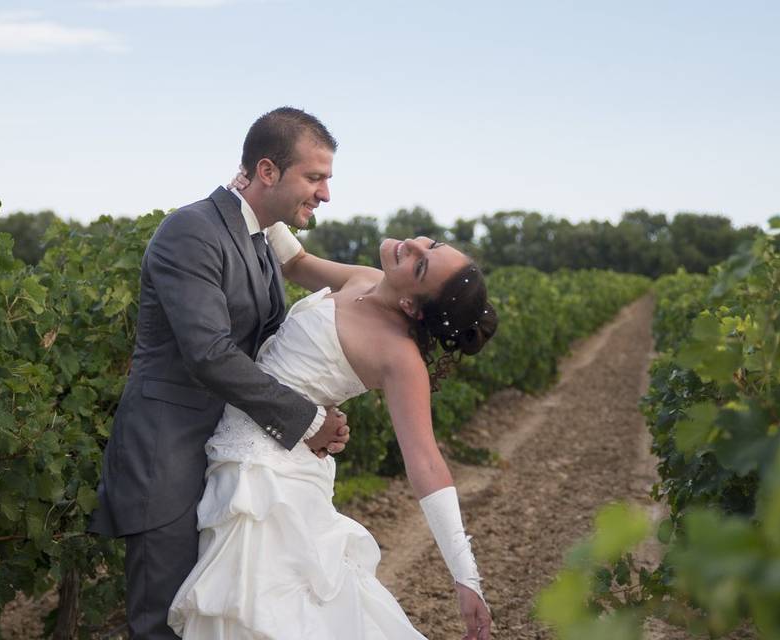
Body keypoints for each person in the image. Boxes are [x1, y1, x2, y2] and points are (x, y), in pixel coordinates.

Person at [87, 107, 351, 639]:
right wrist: (305, 419)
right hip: (168, 460)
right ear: (269, 171)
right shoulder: (192, 230)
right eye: (315, 177)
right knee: (162, 623)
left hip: (227, 458)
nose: (325, 194)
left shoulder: (258, 237)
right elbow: (209, 353)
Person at [168, 226, 499, 639]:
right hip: (243, 443)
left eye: (421, 263)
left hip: (268, 482)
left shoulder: (400, 357)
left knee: (257, 608)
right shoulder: (363, 278)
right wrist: (261, 205)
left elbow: (427, 462)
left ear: (413, 306)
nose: (413, 245)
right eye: (430, 244)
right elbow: (296, 263)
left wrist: (465, 576)